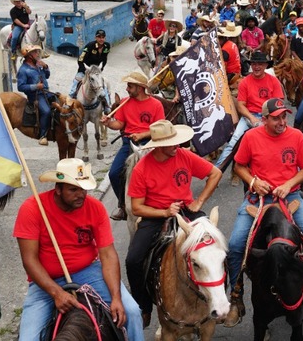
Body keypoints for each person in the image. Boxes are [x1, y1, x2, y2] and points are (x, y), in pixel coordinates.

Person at [13, 158, 144, 341]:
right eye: (73, 189)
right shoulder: (32, 209)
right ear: (58, 189)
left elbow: (107, 254)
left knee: (132, 311)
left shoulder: (95, 208)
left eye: (83, 188)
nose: (80, 194)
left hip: (89, 272)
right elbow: (29, 260)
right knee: (28, 338)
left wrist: (116, 297)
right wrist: (56, 293)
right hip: (46, 281)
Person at [225, 98, 303, 327]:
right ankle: (236, 295)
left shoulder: (297, 136)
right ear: (264, 119)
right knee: (236, 245)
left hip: (289, 198)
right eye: (276, 118)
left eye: (284, 116)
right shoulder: (251, 137)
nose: (282, 121)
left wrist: (289, 184)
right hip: (258, 199)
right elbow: (239, 166)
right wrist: (253, 182)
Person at [125, 121, 222, 328]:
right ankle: (144, 307)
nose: (177, 146)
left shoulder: (184, 156)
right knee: (133, 260)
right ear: (158, 146)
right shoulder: (142, 169)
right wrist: (164, 212)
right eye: (172, 143)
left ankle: (228, 296)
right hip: (155, 215)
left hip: (186, 210)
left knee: (216, 247)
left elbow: (215, 173)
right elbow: (137, 208)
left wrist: (200, 201)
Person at [101, 71, 166, 220]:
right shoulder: (124, 102)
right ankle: (123, 206)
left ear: (140, 87)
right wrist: (108, 123)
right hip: (128, 143)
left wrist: (142, 135)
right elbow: (119, 124)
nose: (127, 89)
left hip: (149, 143)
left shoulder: (156, 104)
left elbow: (161, 128)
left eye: (130, 86)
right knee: (114, 173)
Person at [213, 51, 284, 172]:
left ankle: (289, 169)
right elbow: (241, 106)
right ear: (251, 65)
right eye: (254, 64)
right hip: (249, 116)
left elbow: (279, 104)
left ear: (266, 65)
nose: (257, 67)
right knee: (234, 141)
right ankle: (216, 171)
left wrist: (268, 119)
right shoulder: (245, 82)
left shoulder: (273, 81)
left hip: (270, 116)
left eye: (260, 64)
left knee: (285, 138)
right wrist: (252, 118)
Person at [17, 45, 52, 146]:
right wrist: (36, 86)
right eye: (35, 52)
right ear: (29, 56)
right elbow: (21, 87)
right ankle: (43, 135)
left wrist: (45, 67)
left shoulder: (38, 65)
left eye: (37, 52)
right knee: (46, 111)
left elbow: (47, 76)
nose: (37, 54)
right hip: (36, 96)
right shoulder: (23, 70)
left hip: (46, 92)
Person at [69, 30, 111, 111]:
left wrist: (100, 69)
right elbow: (80, 59)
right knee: (76, 82)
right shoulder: (90, 46)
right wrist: (85, 70)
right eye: (99, 37)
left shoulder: (107, 46)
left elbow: (105, 59)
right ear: (96, 38)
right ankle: (70, 101)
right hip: (85, 69)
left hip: (96, 71)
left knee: (103, 85)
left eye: (103, 37)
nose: (101, 39)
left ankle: (106, 105)